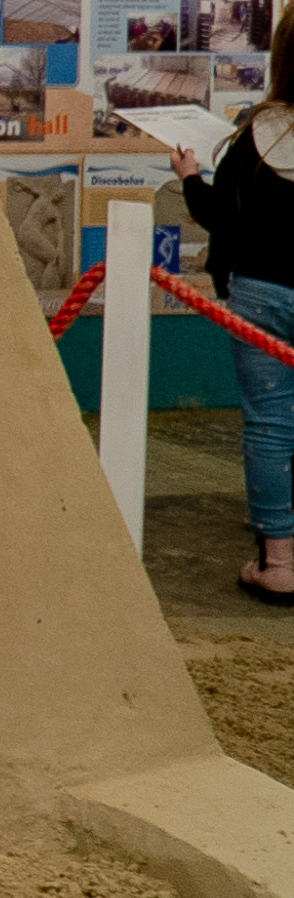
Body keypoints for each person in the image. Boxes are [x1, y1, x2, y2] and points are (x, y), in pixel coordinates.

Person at [176, 88, 294, 604]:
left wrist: (189, 176)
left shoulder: (255, 137)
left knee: (270, 424)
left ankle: (279, 564)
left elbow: (218, 214)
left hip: (261, 294)